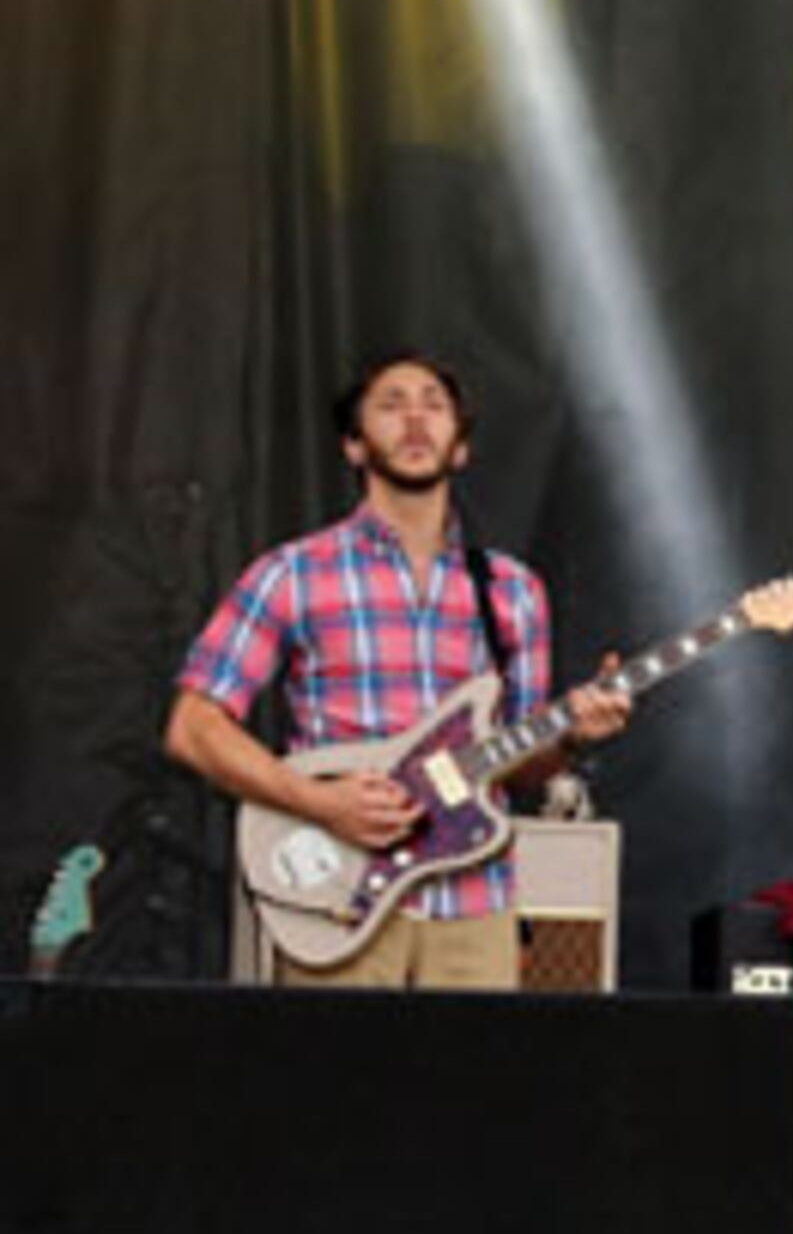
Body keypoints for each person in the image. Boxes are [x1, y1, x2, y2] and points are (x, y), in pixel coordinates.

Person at [163, 351, 627, 991]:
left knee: (485, 1064)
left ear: (460, 448)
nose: (415, 419)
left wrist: (571, 737)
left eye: (434, 405)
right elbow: (193, 728)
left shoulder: (512, 590)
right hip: (341, 897)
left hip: (474, 903)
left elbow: (518, 766)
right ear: (354, 445)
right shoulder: (294, 573)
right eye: (391, 404)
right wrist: (320, 802)